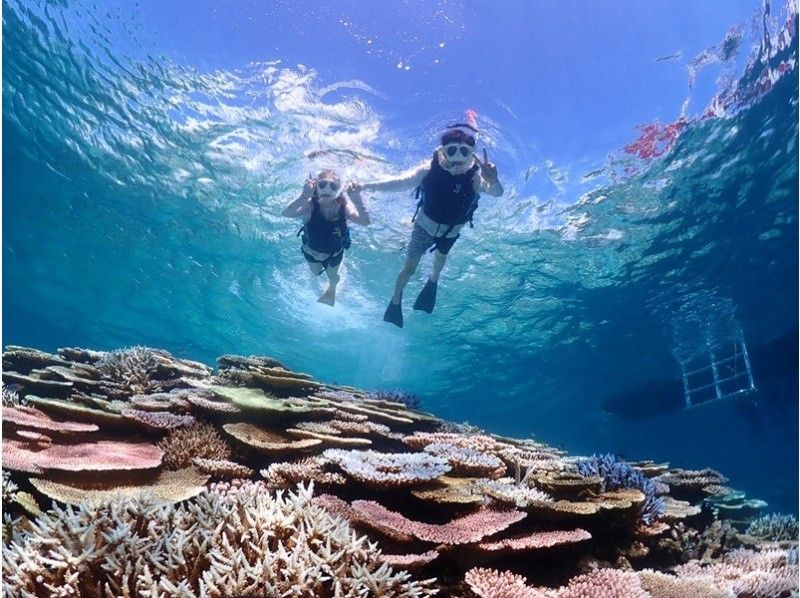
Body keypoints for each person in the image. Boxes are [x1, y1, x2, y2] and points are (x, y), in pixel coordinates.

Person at [359, 125, 503, 327]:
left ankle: (433, 280)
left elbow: (497, 193)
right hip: (423, 228)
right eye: (452, 150)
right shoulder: (428, 170)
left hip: (451, 232)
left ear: (472, 155)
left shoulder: (476, 179)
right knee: (409, 269)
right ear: (443, 151)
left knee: (439, 261)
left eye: (465, 152)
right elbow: (400, 182)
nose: (458, 157)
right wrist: (366, 185)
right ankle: (396, 298)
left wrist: (493, 180)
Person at [282, 169, 369, 306]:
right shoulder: (310, 204)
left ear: (339, 190)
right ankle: (323, 279)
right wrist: (303, 196)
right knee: (315, 273)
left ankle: (332, 289)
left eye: (333, 186)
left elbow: (365, 222)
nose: (327, 189)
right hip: (311, 251)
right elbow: (286, 213)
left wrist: (357, 199)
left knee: (333, 277)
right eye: (323, 185)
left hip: (335, 252)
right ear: (316, 187)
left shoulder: (344, 207)